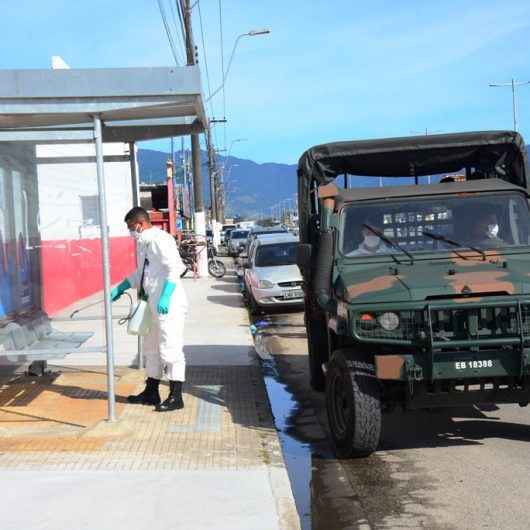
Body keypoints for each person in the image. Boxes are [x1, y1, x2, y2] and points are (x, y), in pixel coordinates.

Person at [111, 207, 188, 412]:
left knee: (170, 348)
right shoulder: (143, 244)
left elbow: (176, 267)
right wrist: (121, 287)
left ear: (140, 224)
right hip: (150, 304)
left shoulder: (160, 240)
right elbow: (142, 273)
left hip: (168, 304)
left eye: (131, 228)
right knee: (151, 348)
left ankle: (176, 396)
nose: (130, 232)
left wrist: (166, 294)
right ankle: (151, 392)